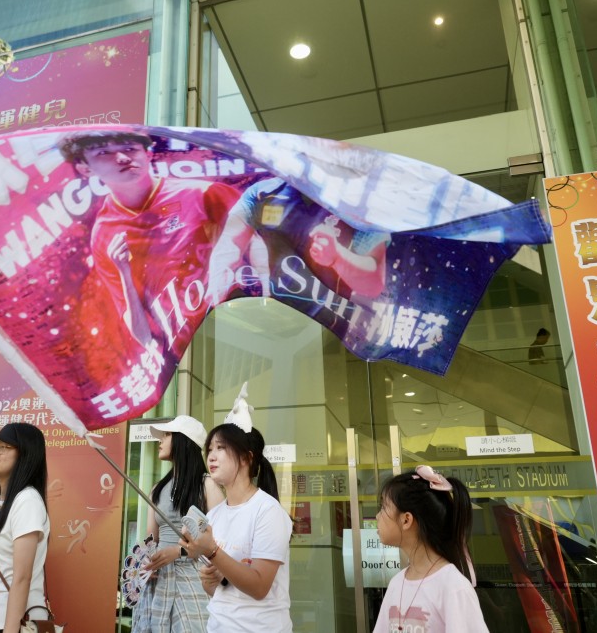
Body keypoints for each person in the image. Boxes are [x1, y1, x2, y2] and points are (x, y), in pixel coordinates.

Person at [58, 131, 239, 355]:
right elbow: (143, 335)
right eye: (103, 152)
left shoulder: (203, 194)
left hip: (238, 320)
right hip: (190, 352)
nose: (122, 158)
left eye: (130, 148)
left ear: (148, 153)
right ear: (85, 168)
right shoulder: (103, 235)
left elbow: (260, 252)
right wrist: (124, 272)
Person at [206, 177, 389, 331]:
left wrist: (338, 258)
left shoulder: (359, 203)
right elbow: (229, 244)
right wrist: (216, 288)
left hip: (327, 326)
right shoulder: (262, 192)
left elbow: (373, 284)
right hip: (275, 318)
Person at [179, 395, 293, 633]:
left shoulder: (268, 511)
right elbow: (219, 592)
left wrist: (212, 551)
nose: (211, 456)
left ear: (246, 457)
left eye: (221, 448)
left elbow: (259, 587)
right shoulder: (215, 515)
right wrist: (209, 579)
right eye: (210, 449)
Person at [132, 416, 223, 633]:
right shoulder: (157, 489)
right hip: (158, 580)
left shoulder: (207, 485)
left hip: (193, 578)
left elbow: (220, 541)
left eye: (166, 435)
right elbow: (150, 540)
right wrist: (146, 562)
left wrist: (178, 551)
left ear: (184, 441)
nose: (160, 440)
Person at [371, 465, 488, 632]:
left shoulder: (453, 587)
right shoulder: (396, 583)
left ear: (406, 520)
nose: (377, 516)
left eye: (383, 507)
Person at [0, 422, 52, 633]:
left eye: (4, 446)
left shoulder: (27, 500)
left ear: (26, 454)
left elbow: (22, 577)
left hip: (9, 624)